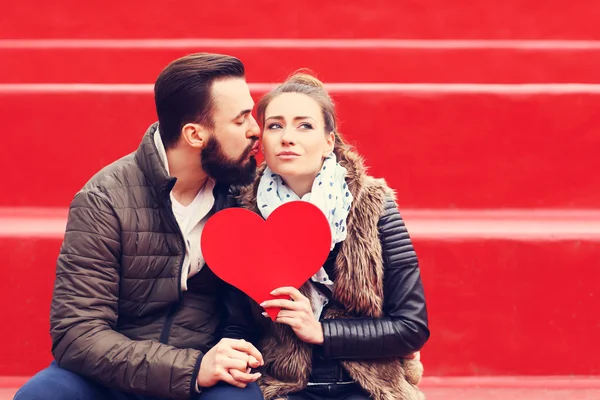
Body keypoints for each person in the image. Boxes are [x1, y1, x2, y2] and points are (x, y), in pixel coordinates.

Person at [14, 53, 266, 400]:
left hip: (206, 366)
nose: (256, 129)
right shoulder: (105, 199)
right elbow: (77, 333)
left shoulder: (242, 195)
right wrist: (191, 369)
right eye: (240, 121)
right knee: (42, 396)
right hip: (113, 372)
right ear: (194, 135)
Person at [225, 73, 430, 400]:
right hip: (283, 388)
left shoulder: (373, 207)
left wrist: (322, 331)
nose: (287, 137)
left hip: (369, 387)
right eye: (275, 126)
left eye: (304, 126)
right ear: (261, 141)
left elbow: (411, 328)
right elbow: (235, 322)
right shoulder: (243, 215)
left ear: (328, 142)